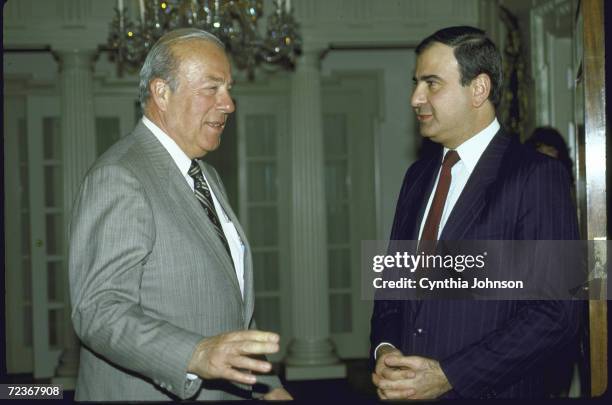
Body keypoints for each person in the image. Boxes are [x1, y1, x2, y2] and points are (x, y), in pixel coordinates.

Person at [69, 28, 291, 401]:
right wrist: (195, 353)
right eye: (212, 88)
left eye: (229, 89)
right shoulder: (121, 176)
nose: (229, 104)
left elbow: (230, 304)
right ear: (161, 92)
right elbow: (98, 311)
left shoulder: (205, 174)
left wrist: (267, 386)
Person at [370, 26, 582, 399]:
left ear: (479, 89)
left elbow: (557, 315)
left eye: (431, 83)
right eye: (416, 82)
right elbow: (394, 286)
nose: (415, 97)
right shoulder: (417, 177)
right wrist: (386, 350)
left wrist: (449, 375)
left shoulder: (537, 175)